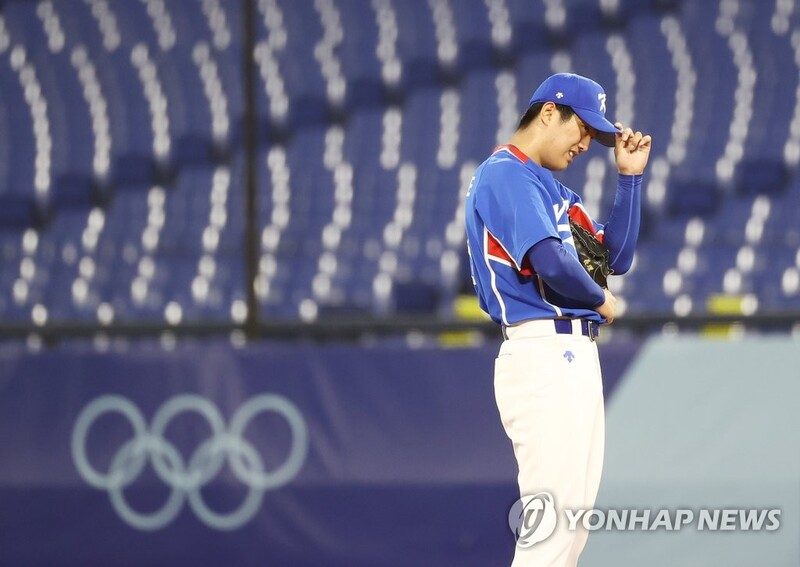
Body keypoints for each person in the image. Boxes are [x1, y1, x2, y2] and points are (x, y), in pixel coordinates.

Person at [464, 72, 652, 566]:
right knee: (551, 528)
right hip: (541, 350)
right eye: (582, 129)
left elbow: (616, 256)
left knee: (571, 529)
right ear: (549, 112)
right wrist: (601, 301)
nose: (586, 143)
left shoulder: (550, 188)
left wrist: (629, 178)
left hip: (568, 353)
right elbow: (549, 261)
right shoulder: (506, 173)